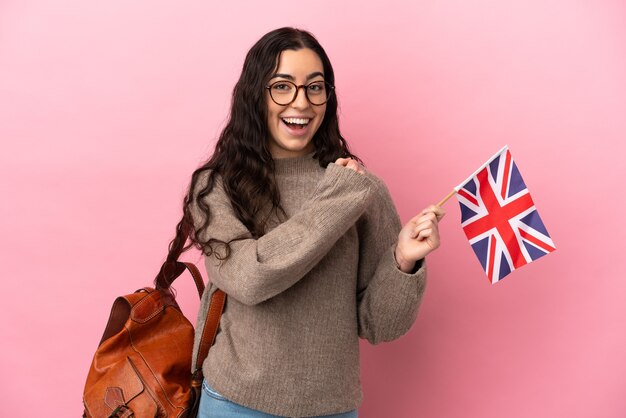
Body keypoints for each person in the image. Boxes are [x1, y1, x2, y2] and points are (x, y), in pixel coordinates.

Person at [171, 27, 444, 418]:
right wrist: (335, 201)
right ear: (256, 94)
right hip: (234, 403)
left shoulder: (361, 190)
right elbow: (250, 279)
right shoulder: (217, 186)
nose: (301, 102)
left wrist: (403, 262)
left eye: (315, 88)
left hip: (331, 409)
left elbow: (380, 326)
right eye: (282, 86)